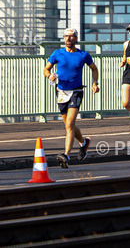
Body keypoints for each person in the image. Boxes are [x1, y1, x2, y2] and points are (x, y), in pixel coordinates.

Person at [43, 28, 99, 169]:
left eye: (71, 36)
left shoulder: (83, 55)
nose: (68, 39)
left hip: (76, 91)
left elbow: (94, 68)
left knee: (69, 123)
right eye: (66, 36)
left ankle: (66, 155)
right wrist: (49, 75)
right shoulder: (57, 53)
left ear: (76, 39)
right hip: (61, 92)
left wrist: (95, 83)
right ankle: (84, 143)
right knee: (69, 125)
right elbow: (46, 69)